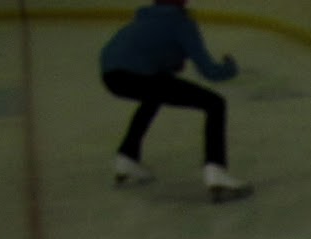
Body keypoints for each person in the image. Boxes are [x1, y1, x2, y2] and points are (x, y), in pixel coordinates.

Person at [99, 0, 252, 202]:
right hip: (139, 76)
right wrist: (230, 67)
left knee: (154, 96)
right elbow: (210, 71)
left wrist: (168, 64)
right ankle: (216, 170)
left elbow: (145, 52)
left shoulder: (144, 18)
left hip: (111, 75)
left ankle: (127, 156)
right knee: (214, 103)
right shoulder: (181, 23)